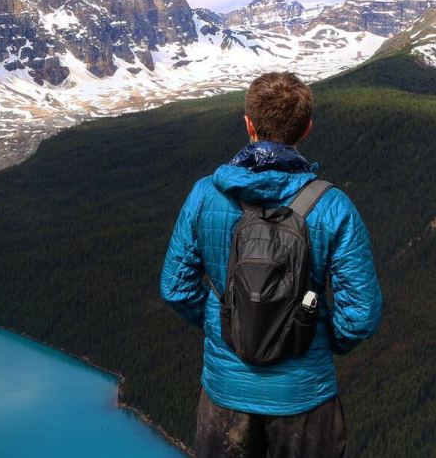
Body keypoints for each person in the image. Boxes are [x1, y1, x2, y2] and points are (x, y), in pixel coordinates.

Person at [160, 72, 383, 458]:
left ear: (248, 123)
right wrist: (310, 337)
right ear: (307, 128)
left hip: (226, 396)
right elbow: (360, 315)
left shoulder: (205, 195)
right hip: (306, 398)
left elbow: (175, 288)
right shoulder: (332, 206)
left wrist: (228, 320)